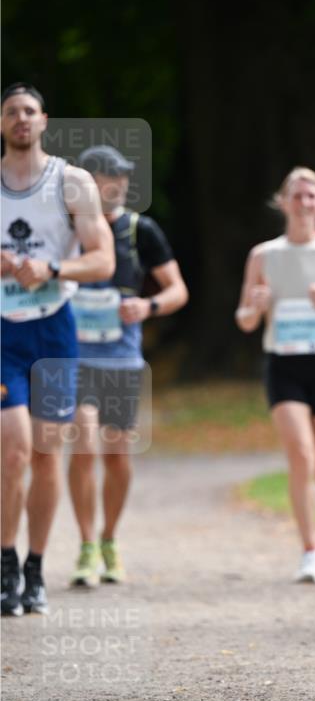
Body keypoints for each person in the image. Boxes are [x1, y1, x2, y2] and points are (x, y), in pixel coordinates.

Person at [1, 83, 115, 616]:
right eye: (11, 112)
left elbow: (102, 261)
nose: (21, 119)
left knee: (47, 452)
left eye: (29, 111)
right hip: (4, 332)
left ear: (44, 119)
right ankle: (6, 563)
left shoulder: (72, 183)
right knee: (15, 448)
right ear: (2, 124)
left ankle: (35, 568)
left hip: (53, 329)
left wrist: (50, 268)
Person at [67, 145, 189, 587]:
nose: (116, 183)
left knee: (117, 455)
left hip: (121, 359)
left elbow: (178, 291)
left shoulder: (142, 230)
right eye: (105, 176)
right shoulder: (66, 229)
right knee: (84, 445)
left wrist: (147, 305)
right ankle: (83, 546)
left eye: (121, 175)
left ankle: (108, 539)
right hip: (74, 358)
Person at [236, 167, 315, 584]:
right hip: (284, 364)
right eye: (296, 195)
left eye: (311, 196)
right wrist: (256, 304)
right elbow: (245, 320)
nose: (303, 203)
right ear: (282, 202)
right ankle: (310, 551)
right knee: (301, 455)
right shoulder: (263, 255)